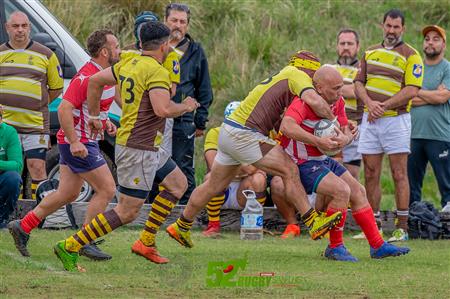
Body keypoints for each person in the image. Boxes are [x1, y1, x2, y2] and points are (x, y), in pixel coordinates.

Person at [52, 21, 199, 271]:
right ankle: (71, 245)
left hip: (146, 145)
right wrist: (186, 105)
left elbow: (96, 81)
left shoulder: (127, 63)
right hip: (138, 148)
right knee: (127, 211)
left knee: (177, 184)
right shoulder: (156, 71)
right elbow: (163, 109)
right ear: (164, 46)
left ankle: (146, 241)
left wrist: (96, 115)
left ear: (142, 44)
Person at [166, 50, 344, 250]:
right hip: (245, 133)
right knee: (289, 168)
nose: (313, 82)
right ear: (308, 71)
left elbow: (277, 120)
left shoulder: (283, 79)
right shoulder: (297, 75)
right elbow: (314, 100)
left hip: (229, 131)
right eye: (314, 77)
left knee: (213, 185)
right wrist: (336, 124)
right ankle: (313, 222)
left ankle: (180, 225)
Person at [8, 30, 121, 260]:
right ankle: (84, 241)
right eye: (116, 47)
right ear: (105, 52)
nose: (120, 51)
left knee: (67, 193)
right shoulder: (86, 77)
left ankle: (23, 226)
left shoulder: (105, 75)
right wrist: (75, 141)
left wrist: (106, 122)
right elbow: (64, 109)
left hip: (82, 141)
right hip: (79, 144)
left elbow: (88, 110)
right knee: (107, 189)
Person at [280, 66, 410, 261]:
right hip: (302, 163)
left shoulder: (337, 102)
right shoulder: (302, 102)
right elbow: (286, 126)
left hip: (323, 159)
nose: (340, 93)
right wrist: (318, 141)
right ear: (319, 88)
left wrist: (346, 139)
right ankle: (335, 247)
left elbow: (345, 129)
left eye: (341, 87)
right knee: (342, 191)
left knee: (358, 191)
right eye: (335, 88)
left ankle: (377, 245)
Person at [354, 9, 424, 242]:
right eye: (388, 26)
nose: (391, 31)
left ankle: (401, 228)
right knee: (371, 172)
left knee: (398, 173)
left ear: (403, 29)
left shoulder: (411, 55)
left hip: (396, 120)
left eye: (396, 27)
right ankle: (372, 227)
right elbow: (358, 83)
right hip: (370, 119)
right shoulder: (369, 52)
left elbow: (412, 90)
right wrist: (369, 103)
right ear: (382, 25)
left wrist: (382, 106)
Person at [122, 11, 188, 207]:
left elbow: (170, 94)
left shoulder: (170, 56)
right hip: (136, 128)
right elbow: (110, 83)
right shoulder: (126, 54)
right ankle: (139, 208)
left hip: (157, 120)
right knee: (127, 208)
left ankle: (148, 227)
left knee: (170, 177)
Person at [0, 11, 63, 200]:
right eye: (15, 26)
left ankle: (38, 214)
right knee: (13, 170)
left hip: (35, 124)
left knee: (37, 167)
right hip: (7, 126)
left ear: (29, 27)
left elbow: (56, 88)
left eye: (24, 26)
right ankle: (14, 212)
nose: (20, 30)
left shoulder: (46, 54)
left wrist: (37, 104)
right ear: (7, 28)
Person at [164, 3, 214, 204]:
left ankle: (185, 212)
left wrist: (200, 121)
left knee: (183, 166)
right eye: (174, 20)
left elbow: (204, 89)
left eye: (182, 22)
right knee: (154, 166)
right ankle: (149, 210)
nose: (178, 25)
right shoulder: (154, 48)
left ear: (187, 25)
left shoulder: (195, 51)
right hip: (156, 117)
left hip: (183, 118)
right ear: (165, 21)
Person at [202, 102, 267, 237]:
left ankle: (254, 225)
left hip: (242, 189)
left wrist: (229, 161)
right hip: (221, 188)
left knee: (259, 178)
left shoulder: (254, 135)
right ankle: (213, 225)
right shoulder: (215, 132)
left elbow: (252, 169)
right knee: (210, 178)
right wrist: (242, 163)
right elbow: (213, 166)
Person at [409, 25, 450, 211]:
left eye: (436, 39)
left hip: (440, 136)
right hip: (413, 134)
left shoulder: (447, 68)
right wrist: (432, 95)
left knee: (446, 183)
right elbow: (407, 99)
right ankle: (412, 219)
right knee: (411, 184)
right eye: (427, 39)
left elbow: (443, 97)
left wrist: (417, 91)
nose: (430, 42)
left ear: (444, 44)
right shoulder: (415, 68)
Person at [332, 28, 363, 180]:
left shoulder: (363, 70)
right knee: (331, 174)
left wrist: (331, 88)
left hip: (354, 126)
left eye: (350, 44)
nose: (345, 47)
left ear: (358, 46)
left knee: (351, 176)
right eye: (342, 43)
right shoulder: (328, 68)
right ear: (337, 46)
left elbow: (355, 92)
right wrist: (350, 88)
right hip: (330, 127)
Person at [0, 105, 23, 229]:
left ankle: (1, 219)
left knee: (13, 178)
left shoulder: (9, 132)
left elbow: (17, 164)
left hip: (2, 176)